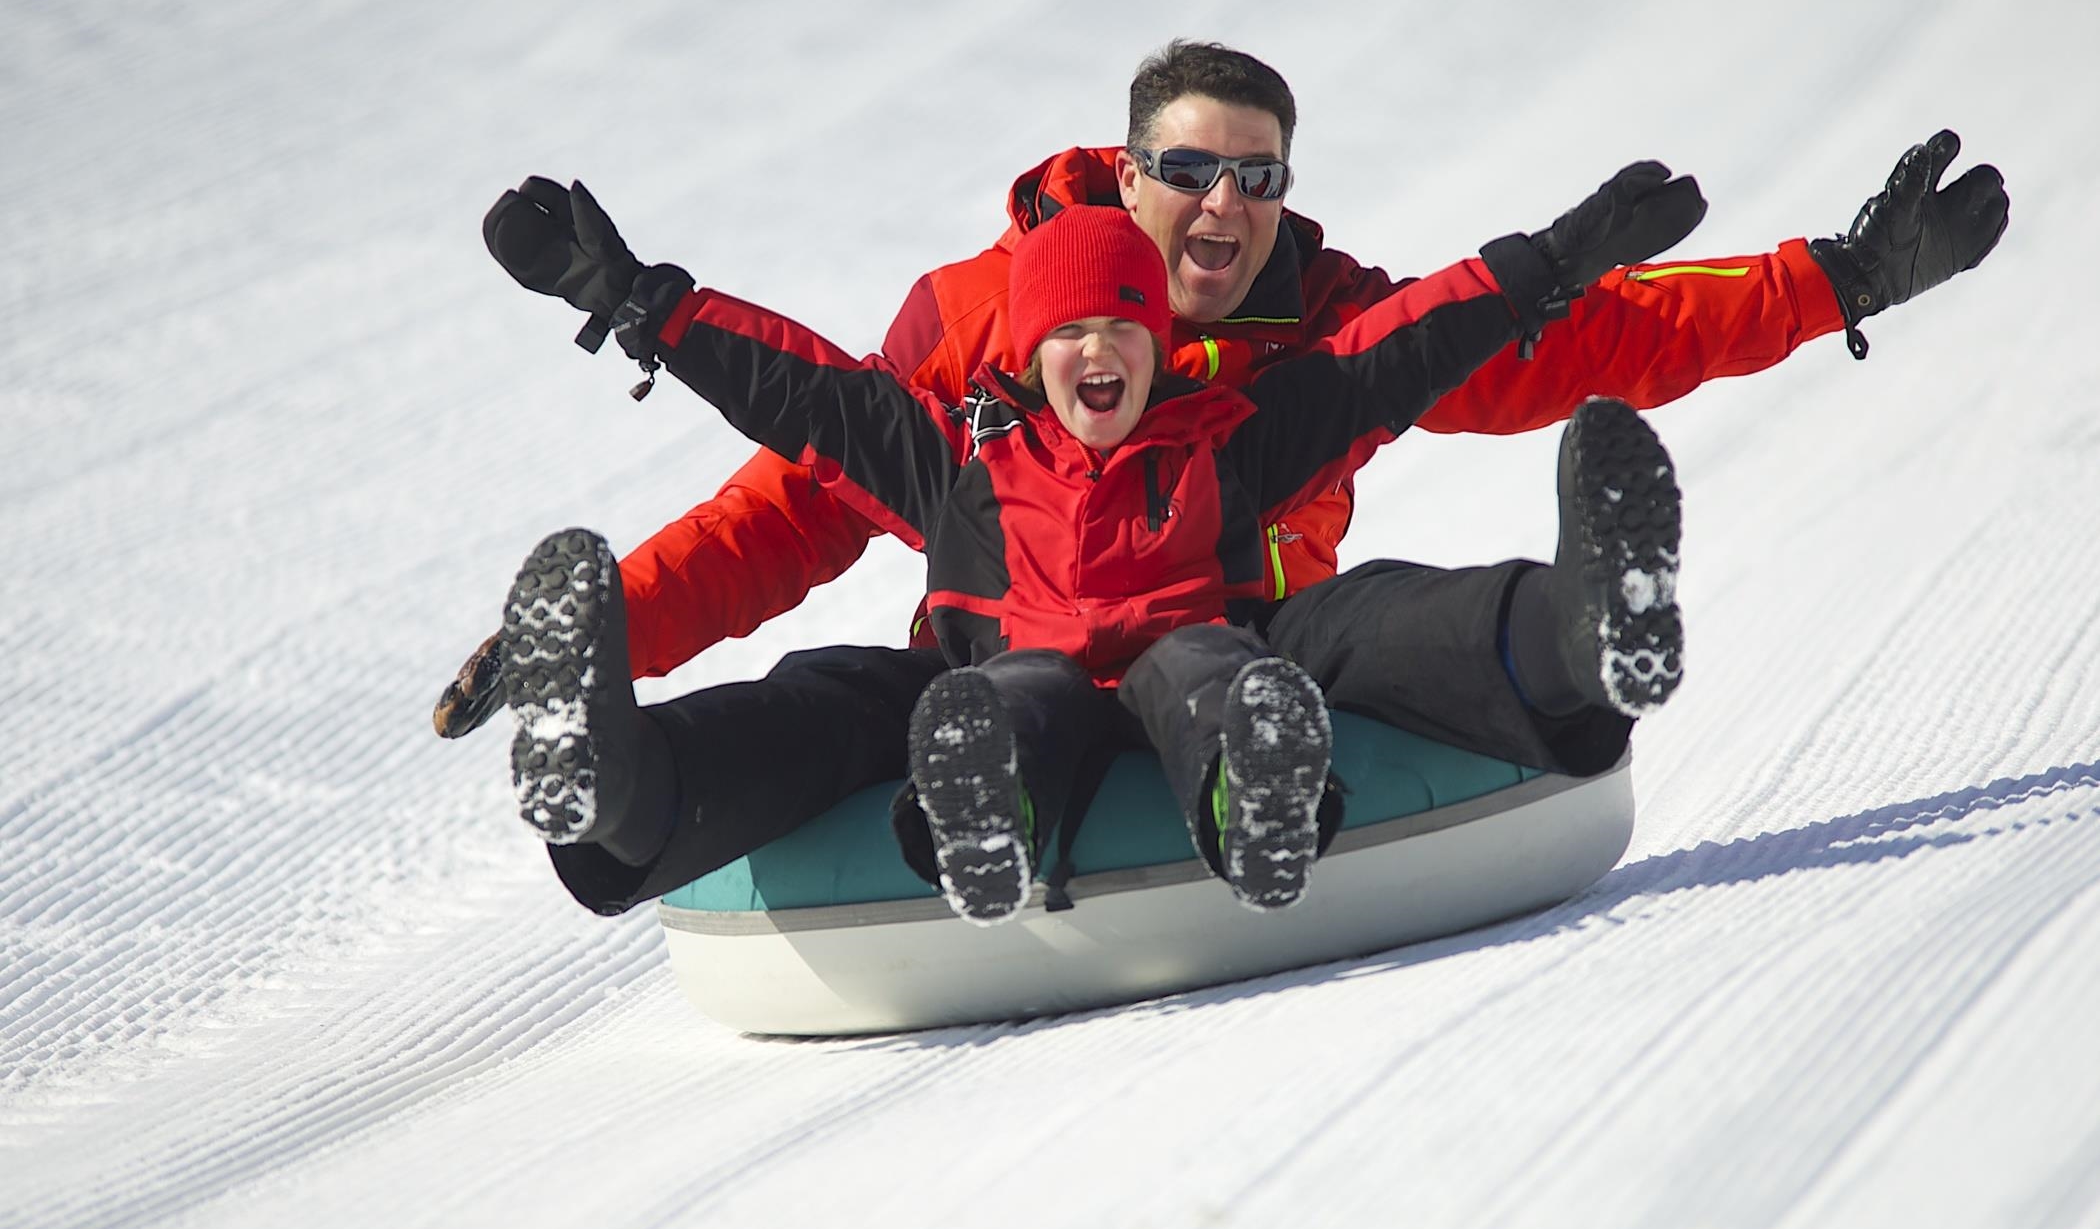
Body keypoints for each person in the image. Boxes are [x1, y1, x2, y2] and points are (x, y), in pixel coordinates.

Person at [436, 42, 2006, 738]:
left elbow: (1569, 344)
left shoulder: (1317, 317)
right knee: (822, 713)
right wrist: (603, 633)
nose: (1223, 204)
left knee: (1411, 614)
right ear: (1128, 175)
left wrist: (1841, 281)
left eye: (1256, 176)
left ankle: (1581, 635)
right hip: (1008, 690)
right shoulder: (981, 318)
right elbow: (801, 498)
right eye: (1188, 169)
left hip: (1254, 675)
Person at [498, 159, 1706, 921]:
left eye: (1122, 327)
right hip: (1006, 678)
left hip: (1197, 658)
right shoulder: (958, 458)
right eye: (1067, 331)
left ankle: (1581, 626)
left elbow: (1397, 352)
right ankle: (618, 778)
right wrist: (634, 300)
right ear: (1025, 353)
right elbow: (799, 389)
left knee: (1317, 633)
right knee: (859, 693)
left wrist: (1550, 265)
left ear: (1155, 344)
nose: (1097, 350)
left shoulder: (1229, 435)